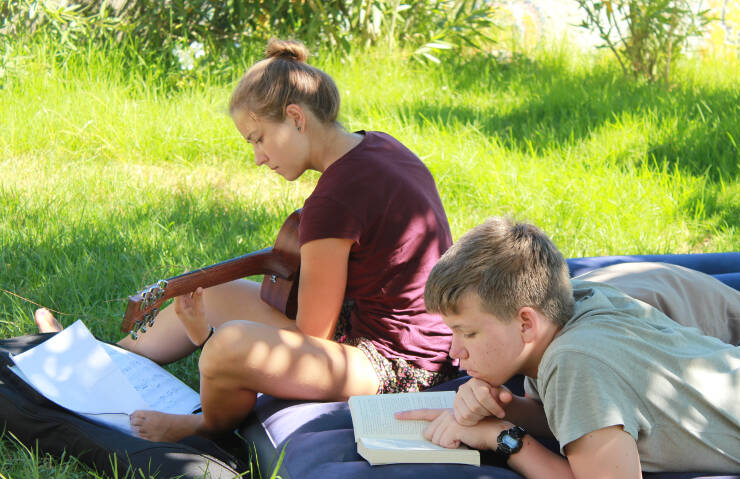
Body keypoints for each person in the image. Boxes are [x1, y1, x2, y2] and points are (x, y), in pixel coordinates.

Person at [36, 38, 456, 442]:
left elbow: (311, 340)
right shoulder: (381, 146)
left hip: (399, 369)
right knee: (213, 292)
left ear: (296, 117)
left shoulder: (333, 202)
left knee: (228, 346)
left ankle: (203, 428)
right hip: (409, 342)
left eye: (258, 139)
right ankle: (99, 362)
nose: (257, 157)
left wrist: (207, 338)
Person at [397, 217, 740, 479]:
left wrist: (503, 438)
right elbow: (589, 413)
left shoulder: (575, 360)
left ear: (526, 324)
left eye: (467, 332)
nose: (454, 350)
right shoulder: (577, 304)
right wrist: (509, 408)